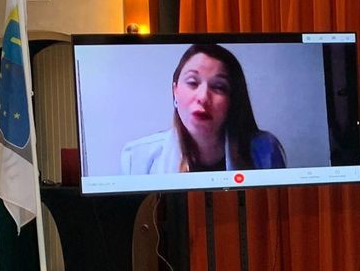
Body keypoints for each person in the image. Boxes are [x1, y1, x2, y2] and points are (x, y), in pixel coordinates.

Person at [120, 43, 287, 174]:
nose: (203, 97)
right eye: (192, 82)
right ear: (175, 91)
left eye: (219, 87)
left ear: (232, 100)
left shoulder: (266, 151)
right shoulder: (136, 157)